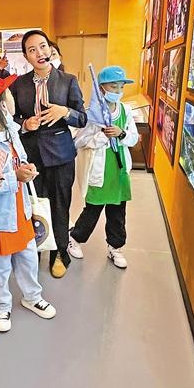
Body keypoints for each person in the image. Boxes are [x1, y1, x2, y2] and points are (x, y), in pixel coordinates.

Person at [0, 72, 57, 332]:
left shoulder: (12, 133)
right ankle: (2, 306)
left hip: (21, 210)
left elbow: (21, 160)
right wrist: (14, 177)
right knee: (0, 265)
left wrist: (27, 169)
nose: (13, 98)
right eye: (9, 94)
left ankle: (33, 297)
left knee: (28, 257)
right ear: (2, 106)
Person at [10, 29, 87, 278]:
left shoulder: (67, 81)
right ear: (26, 56)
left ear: (50, 49)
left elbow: (82, 118)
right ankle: (36, 250)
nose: (39, 53)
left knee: (60, 204)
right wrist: (24, 124)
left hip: (61, 155)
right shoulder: (18, 85)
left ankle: (60, 253)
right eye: (32, 50)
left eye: (42, 46)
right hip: (31, 155)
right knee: (34, 205)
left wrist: (65, 112)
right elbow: (10, 117)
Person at [68, 66, 139, 269]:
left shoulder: (125, 110)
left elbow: (133, 138)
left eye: (121, 87)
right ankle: (75, 238)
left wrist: (121, 134)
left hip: (119, 169)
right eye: (113, 86)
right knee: (93, 209)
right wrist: (101, 137)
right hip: (99, 170)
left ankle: (115, 247)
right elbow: (79, 141)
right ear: (101, 88)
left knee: (118, 212)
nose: (117, 90)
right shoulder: (92, 114)